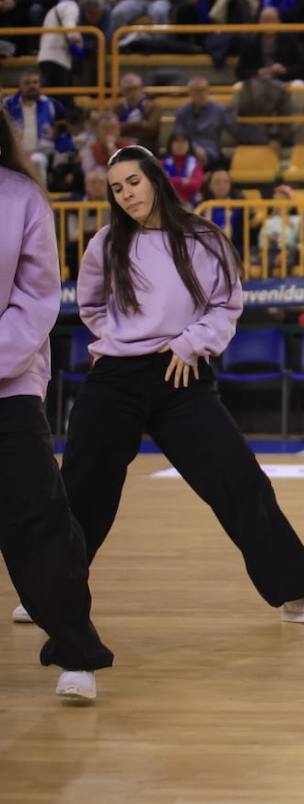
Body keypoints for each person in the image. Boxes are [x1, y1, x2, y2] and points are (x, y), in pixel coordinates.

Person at [61, 145, 304, 636]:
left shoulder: (203, 238)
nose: (127, 194)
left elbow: (225, 305)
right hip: (116, 377)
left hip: (181, 374)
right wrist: (117, 339)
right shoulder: (105, 243)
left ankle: (298, 593)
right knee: (83, 485)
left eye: (134, 182)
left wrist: (190, 344)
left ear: (156, 179)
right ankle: (52, 592)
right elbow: (91, 305)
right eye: (117, 188)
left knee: (238, 481)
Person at [0, 111, 114, 705]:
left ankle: (75, 651)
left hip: (8, 386)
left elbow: (38, 298)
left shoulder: (22, 199)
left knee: (40, 519)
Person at [234, 6, 304, 146]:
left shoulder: (290, 39)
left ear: (279, 22)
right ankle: (247, 133)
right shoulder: (250, 41)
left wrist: (285, 70)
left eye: (272, 20)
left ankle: (288, 132)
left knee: (299, 87)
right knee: (237, 88)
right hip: (258, 82)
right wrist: (257, 72)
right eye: (265, 20)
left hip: (284, 80)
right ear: (259, 22)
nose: (269, 24)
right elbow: (240, 71)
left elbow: (302, 67)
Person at [172, 76, 244, 168]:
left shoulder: (219, 110)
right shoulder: (182, 112)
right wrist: (194, 148)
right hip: (188, 152)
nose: (201, 94)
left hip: (212, 154)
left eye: (204, 90)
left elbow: (236, 131)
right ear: (190, 93)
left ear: (208, 91)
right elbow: (179, 136)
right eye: (197, 91)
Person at [3, 70, 62, 180]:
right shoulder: (8, 104)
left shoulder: (49, 104)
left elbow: (65, 119)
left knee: (36, 160)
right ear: (20, 86)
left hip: (41, 152)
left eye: (35, 82)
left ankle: (40, 191)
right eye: (27, 83)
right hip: (15, 153)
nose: (32, 86)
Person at [114, 73, 162, 152]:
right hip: (123, 148)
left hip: (147, 148)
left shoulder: (153, 107)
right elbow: (115, 129)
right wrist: (140, 124)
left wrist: (126, 126)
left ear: (141, 88)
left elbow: (152, 129)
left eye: (135, 88)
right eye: (128, 89)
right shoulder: (117, 108)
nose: (132, 92)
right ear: (122, 91)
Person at [162, 130, 204, 204]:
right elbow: (161, 184)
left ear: (189, 145)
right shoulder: (161, 164)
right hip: (167, 203)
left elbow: (195, 185)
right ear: (170, 144)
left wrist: (171, 181)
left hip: (190, 205)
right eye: (177, 141)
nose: (180, 145)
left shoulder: (196, 165)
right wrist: (184, 181)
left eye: (183, 141)